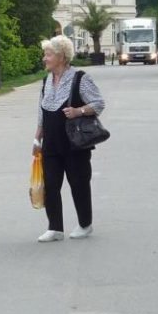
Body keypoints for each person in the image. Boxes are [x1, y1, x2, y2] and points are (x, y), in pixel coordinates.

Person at [32, 35, 105, 243]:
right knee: (51, 185)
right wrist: (37, 139)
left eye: (48, 54)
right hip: (51, 144)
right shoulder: (46, 81)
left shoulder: (80, 78)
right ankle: (55, 228)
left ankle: (85, 224)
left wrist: (79, 111)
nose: (44, 58)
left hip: (75, 144)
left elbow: (99, 103)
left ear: (61, 57)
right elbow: (41, 112)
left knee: (79, 183)